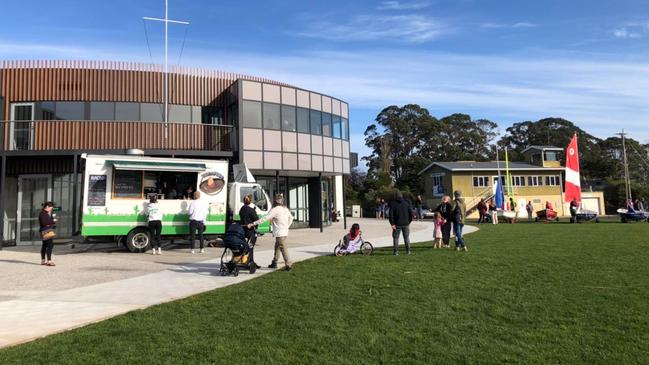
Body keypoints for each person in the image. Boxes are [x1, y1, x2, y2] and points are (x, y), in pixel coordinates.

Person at [249, 194, 294, 271]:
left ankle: (288, 265)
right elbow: (291, 218)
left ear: (275, 201)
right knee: (277, 247)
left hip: (280, 233)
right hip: (284, 232)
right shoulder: (285, 209)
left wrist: (253, 223)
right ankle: (274, 262)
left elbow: (265, 218)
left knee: (283, 248)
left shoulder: (275, 209)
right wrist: (287, 226)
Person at [388, 190, 414, 255]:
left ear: (395, 196)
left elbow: (390, 215)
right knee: (406, 237)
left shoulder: (393, 204)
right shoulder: (406, 203)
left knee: (396, 238)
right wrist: (409, 221)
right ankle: (408, 251)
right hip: (406, 223)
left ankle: (396, 252)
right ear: (401, 196)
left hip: (397, 224)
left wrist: (392, 223)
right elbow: (411, 214)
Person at [39, 202, 57, 266]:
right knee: (50, 245)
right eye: (50, 208)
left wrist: (52, 223)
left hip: (45, 231)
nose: (51, 209)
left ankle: (43, 260)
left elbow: (48, 222)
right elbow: (44, 223)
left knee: (45, 245)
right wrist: (53, 221)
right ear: (47, 207)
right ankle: (49, 261)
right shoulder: (43, 214)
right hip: (46, 231)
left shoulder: (45, 213)